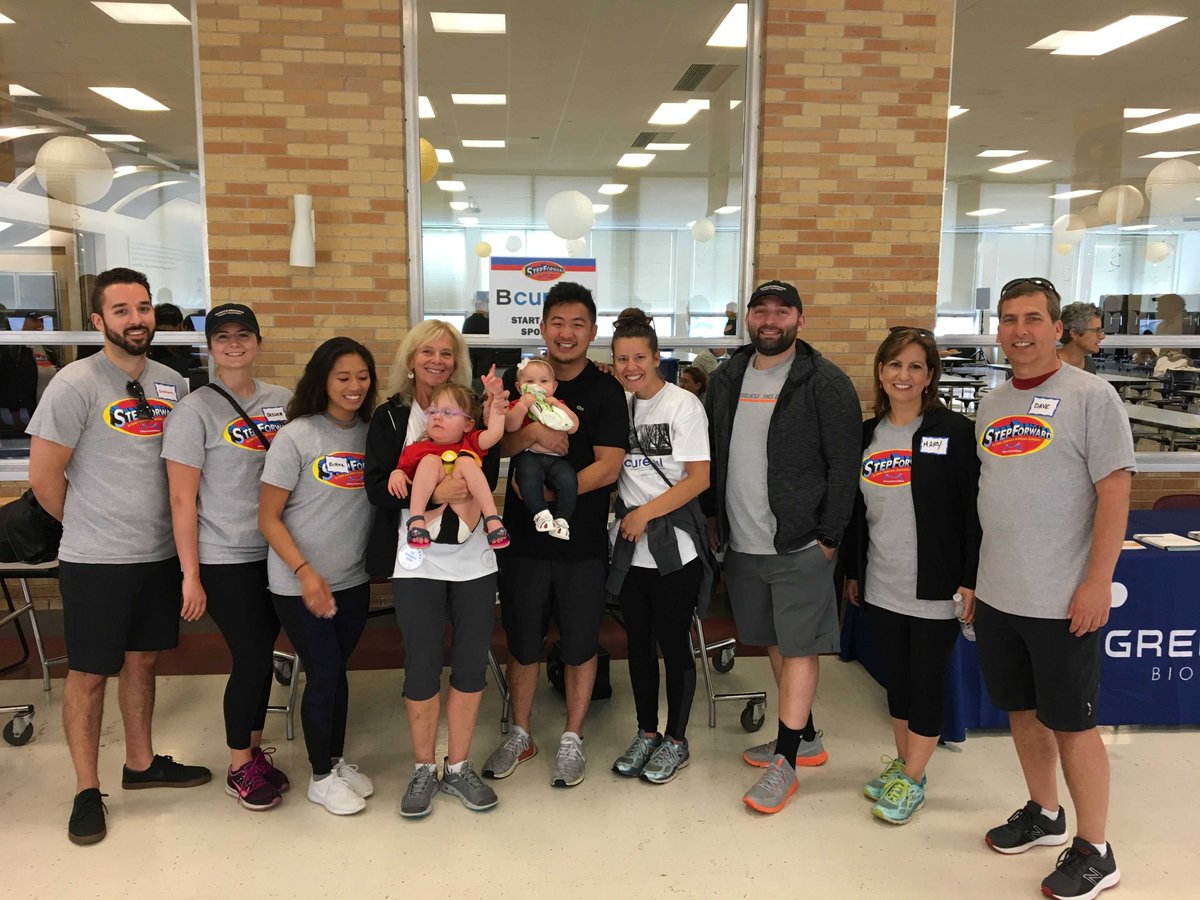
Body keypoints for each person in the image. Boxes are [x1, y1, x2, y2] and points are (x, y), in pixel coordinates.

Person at [26, 267, 211, 846]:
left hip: (157, 557)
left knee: (143, 662)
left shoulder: (171, 384)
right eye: (123, 310)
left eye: (144, 307)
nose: (137, 319)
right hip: (97, 560)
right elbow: (44, 481)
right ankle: (86, 789)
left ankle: (139, 763)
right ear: (99, 321)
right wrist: (94, 524)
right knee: (88, 675)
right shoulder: (74, 384)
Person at [974, 277, 1134, 900]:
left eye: (1033, 318)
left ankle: (1097, 849)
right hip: (999, 594)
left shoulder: (1092, 397)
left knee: (1072, 724)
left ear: (1057, 327)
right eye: (1009, 319)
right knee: (1022, 712)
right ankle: (1045, 812)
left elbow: (1115, 491)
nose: (1020, 330)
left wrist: (1099, 581)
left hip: (1062, 598)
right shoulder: (992, 403)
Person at [702, 279, 860, 815]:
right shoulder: (727, 377)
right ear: (748, 317)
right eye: (761, 311)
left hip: (799, 543)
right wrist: (713, 518)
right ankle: (806, 736)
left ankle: (787, 762)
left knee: (799, 647)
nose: (770, 320)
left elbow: (845, 467)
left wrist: (829, 536)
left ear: (799, 319)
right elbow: (715, 454)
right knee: (773, 638)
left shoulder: (824, 381)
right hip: (743, 542)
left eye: (782, 311)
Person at [481, 281, 627, 788]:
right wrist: (535, 436)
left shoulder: (606, 391)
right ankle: (520, 734)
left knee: (581, 643)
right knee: (522, 641)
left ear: (592, 331)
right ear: (542, 328)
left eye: (578, 324)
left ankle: (572, 737)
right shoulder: (520, 384)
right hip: (521, 542)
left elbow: (608, 468)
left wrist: (547, 498)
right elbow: (495, 447)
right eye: (557, 323)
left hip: (581, 540)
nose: (566, 333)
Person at [364, 320, 504, 818]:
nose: (437, 360)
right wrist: (429, 495)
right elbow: (376, 485)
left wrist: (498, 409)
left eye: (446, 352)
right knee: (421, 665)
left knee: (469, 664)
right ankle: (424, 768)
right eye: (427, 352)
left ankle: (459, 766)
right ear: (410, 359)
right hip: (417, 562)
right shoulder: (390, 416)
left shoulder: (469, 409)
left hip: (473, 562)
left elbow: (485, 464)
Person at [843, 326, 981, 825]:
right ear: (880, 372)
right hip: (882, 583)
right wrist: (854, 573)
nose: (904, 375)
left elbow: (972, 512)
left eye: (915, 366)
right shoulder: (866, 435)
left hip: (936, 587)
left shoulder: (954, 432)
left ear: (930, 376)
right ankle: (905, 765)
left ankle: (915, 780)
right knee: (897, 683)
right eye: (895, 365)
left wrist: (970, 578)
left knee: (926, 683)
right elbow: (857, 515)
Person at [161, 303, 293, 812]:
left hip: (275, 551)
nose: (233, 344)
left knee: (263, 656)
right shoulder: (193, 412)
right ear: (210, 347)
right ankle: (239, 766)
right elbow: (180, 499)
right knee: (252, 656)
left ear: (257, 342)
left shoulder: (282, 401)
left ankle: (254, 753)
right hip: (224, 556)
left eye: (243, 335)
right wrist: (190, 575)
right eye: (222, 337)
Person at [257, 337, 377, 816]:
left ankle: (335, 758)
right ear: (322, 380)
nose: (354, 386)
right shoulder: (297, 436)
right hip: (298, 583)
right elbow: (268, 517)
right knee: (323, 673)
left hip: (351, 580)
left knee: (337, 674)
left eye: (362, 377)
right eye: (343, 377)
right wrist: (305, 573)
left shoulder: (371, 433)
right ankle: (320, 777)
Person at [606, 310, 711, 785]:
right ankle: (647, 732)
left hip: (675, 545)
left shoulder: (683, 405)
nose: (632, 366)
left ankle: (676, 740)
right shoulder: (620, 406)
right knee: (638, 644)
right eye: (622, 358)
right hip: (631, 547)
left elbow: (699, 479)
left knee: (673, 643)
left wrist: (644, 513)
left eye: (640, 357)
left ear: (656, 358)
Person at [390, 381, 510, 549]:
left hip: (465, 517)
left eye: (447, 412)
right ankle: (415, 521)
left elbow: (495, 433)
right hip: (428, 520)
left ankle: (492, 520)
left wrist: (497, 400)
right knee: (430, 461)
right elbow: (402, 472)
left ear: (468, 425)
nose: (437, 416)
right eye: (432, 411)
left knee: (465, 461)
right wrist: (396, 474)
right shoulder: (416, 450)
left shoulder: (471, 442)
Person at [504, 356, 580, 540]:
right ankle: (541, 514)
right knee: (528, 478)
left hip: (556, 458)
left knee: (569, 480)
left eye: (543, 381)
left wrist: (559, 406)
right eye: (529, 382)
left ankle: (562, 520)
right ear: (518, 386)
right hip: (530, 455)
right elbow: (510, 426)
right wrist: (523, 405)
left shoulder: (556, 404)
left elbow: (573, 426)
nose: (537, 385)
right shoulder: (518, 404)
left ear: (554, 386)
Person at [1057, 302, 1104, 374]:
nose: (1102, 337)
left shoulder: (1089, 364)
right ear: (1074, 333)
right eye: (1096, 330)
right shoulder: (1047, 364)